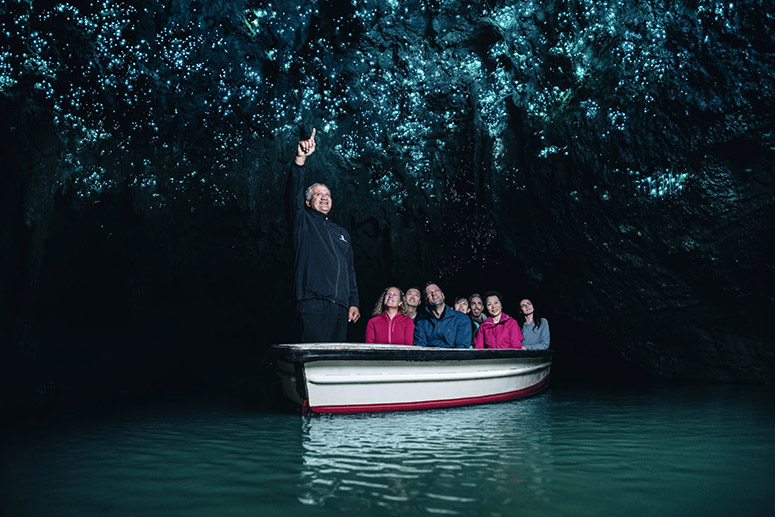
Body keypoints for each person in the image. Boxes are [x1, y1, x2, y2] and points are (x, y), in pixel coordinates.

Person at [286, 128, 360, 342]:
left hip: (340, 307)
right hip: (312, 302)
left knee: (334, 359)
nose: (324, 198)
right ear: (308, 201)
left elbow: (350, 270)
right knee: (313, 356)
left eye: (327, 194)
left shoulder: (342, 233)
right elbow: (293, 195)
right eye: (318, 194)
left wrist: (353, 301)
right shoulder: (303, 221)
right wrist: (300, 159)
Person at [413, 282, 473, 348]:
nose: (434, 294)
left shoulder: (462, 318)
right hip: (431, 357)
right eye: (430, 293)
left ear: (443, 295)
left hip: (455, 357)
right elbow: (420, 348)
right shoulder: (421, 323)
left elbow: (462, 347)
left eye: (436, 291)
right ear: (426, 301)